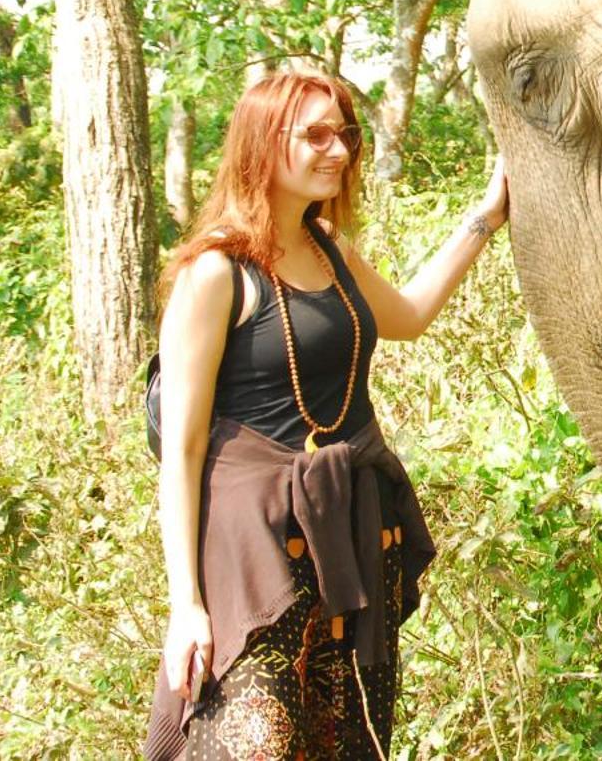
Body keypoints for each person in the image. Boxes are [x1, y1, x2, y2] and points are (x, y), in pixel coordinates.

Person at [146, 70, 509, 760]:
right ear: (261, 142)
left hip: (347, 534)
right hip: (253, 549)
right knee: (251, 739)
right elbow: (183, 454)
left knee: (346, 735)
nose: (338, 149)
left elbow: (408, 315)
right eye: (315, 133)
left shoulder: (329, 250)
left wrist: (485, 217)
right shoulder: (215, 272)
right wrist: (185, 604)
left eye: (346, 133)